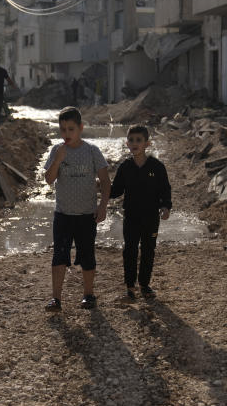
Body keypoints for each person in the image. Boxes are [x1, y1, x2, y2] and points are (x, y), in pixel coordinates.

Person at [43, 107, 111, 311]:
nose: (66, 134)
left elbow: (106, 181)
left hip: (86, 215)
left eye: (71, 129)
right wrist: (58, 160)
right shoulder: (56, 150)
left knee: (87, 256)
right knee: (59, 256)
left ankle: (88, 295)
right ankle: (56, 299)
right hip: (63, 214)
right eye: (63, 129)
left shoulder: (92, 151)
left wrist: (103, 206)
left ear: (81, 128)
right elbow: (48, 180)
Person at [109, 124, 172, 300]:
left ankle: (145, 284)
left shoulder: (157, 167)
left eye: (138, 140)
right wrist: (102, 187)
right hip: (131, 216)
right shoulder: (125, 167)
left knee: (148, 250)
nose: (134, 143)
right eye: (131, 140)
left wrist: (166, 207)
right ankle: (130, 285)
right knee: (129, 250)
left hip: (151, 217)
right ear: (127, 143)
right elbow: (116, 191)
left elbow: (165, 190)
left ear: (147, 143)